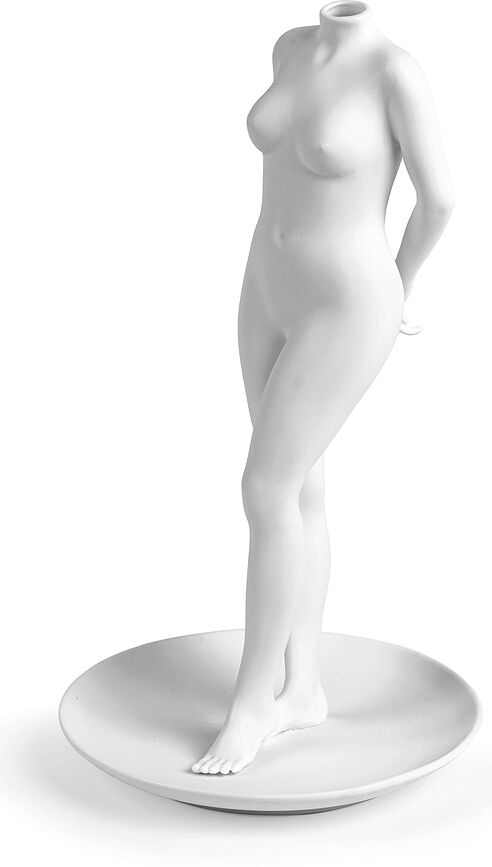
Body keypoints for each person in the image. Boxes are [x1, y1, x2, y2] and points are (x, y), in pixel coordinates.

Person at [192, 1, 454, 775]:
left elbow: (442, 197)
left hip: (348, 298)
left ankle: (252, 702)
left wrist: (401, 284)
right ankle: (302, 687)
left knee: (264, 488)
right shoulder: (288, 47)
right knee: (298, 486)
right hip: (264, 286)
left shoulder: (395, 71)